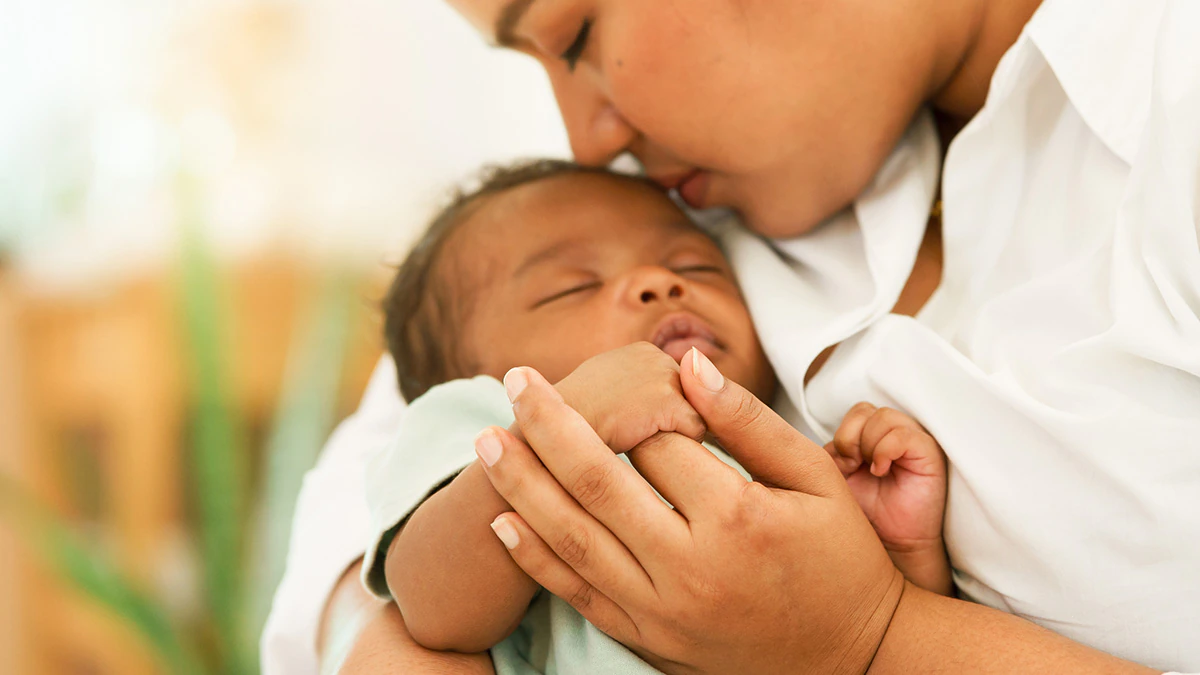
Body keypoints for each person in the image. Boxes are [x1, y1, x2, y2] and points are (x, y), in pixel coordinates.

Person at [262, 0, 1200, 672]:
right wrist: (399, 638)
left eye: (577, 36)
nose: (589, 142)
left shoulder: (1166, 110)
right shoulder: (673, 200)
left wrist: (878, 634)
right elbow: (394, 471)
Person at [359, 160, 951, 672]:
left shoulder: (783, 441)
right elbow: (433, 607)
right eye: (573, 287)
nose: (658, 283)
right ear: (468, 370)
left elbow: (867, 644)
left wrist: (895, 557)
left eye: (695, 267)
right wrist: (563, 425)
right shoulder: (478, 413)